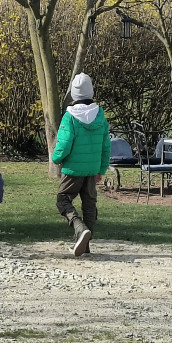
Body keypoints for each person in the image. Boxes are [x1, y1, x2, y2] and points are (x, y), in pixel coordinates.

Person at [50, 73, 110, 256]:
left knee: (63, 199)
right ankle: (86, 246)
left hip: (73, 169)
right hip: (92, 169)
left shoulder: (70, 116)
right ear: (90, 91)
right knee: (89, 205)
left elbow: (65, 143)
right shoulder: (100, 115)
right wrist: (101, 169)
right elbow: (106, 146)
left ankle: (78, 226)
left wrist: (56, 158)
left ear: (73, 94)